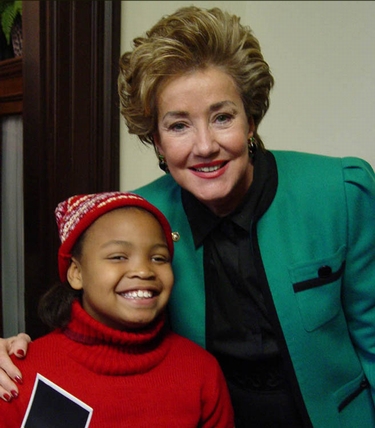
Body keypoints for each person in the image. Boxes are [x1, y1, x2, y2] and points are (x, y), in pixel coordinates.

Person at [1, 5, 375, 427]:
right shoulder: (139, 219)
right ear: (156, 140)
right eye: (178, 125)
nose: (204, 146)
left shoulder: (339, 192)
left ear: (250, 120)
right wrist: (16, 350)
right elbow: (87, 321)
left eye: (222, 117)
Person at [0, 191, 234, 427]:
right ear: (76, 273)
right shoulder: (15, 374)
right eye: (118, 256)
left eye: (159, 258)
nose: (144, 271)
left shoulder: (200, 371)